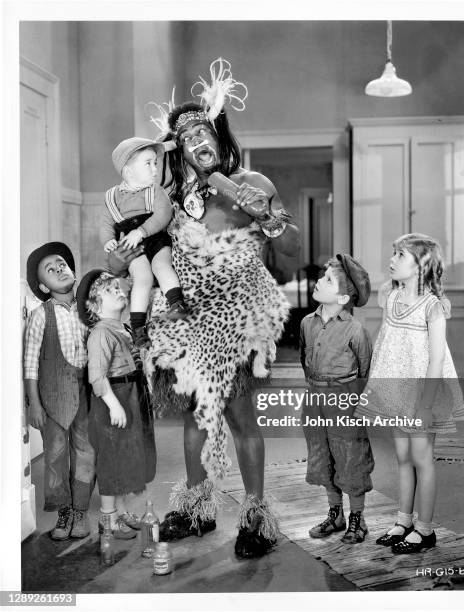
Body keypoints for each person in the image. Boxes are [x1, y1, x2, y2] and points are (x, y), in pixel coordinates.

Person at [112, 58, 299, 558]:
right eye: (186, 134)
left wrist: (274, 223)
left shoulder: (252, 183)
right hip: (189, 321)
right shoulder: (168, 198)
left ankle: (256, 516)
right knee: (196, 417)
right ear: (178, 150)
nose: (198, 139)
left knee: (239, 416)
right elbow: (153, 254)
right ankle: (197, 506)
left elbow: (291, 254)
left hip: (238, 318)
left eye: (204, 129)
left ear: (219, 134)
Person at [355, 233, 464, 554]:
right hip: (397, 392)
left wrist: (426, 404)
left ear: (421, 266)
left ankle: (425, 529)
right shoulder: (390, 296)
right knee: (402, 457)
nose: (392, 259)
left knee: (421, 457)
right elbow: (365, 287)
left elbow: (436, 358)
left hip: (422, 394)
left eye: (401, 255)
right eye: (394, 253)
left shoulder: (432, 307)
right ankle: (403, 520)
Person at [76, 269, 157, 538]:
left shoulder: (121, 327)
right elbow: (97, 377)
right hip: (115, 397)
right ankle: (108, 517)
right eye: (111, 290)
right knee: (112, 459)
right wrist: (113, 405)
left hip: (131, 393)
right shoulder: (100, 333)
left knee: (125, 457)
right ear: (95, 304)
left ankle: (121, 512)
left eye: (118, 287)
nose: (120, 291)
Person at [300, 255, 374, 544]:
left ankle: (357, 517)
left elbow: (365, 371)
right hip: (315, 398)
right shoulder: (307, 323)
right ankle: (336, 513)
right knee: (322, 456)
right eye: (323, 276)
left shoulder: (356, 330)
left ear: (343, 297)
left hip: (343, 400)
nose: (319, 280)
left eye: (328, 280)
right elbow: (306, 361)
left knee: (350, 458)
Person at [24, 242, 95, 540]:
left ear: (73, 271)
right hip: (52, 397)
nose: (58, 269)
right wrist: (35, 404)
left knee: (86, 451)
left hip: (86, 393)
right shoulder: (41, 315)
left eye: (61, 264)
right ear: (42, 285)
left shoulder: (88, 308)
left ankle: (80, 510)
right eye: (49, 270)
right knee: (54, 455)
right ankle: (63, 511)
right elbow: (29, 363)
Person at [101, 136, 187, 348]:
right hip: (132, 247)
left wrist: (141, 231)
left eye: (155, 163)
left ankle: (176, 304)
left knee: (161, 265)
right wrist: (108, 241)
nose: (154, 169)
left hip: (155, 237)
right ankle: (138, 328)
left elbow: (163, 214)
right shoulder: (112, 197)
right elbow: (105, 222)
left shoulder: (155, 191)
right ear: (128, 171)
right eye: (148, 164)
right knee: (142, 278)